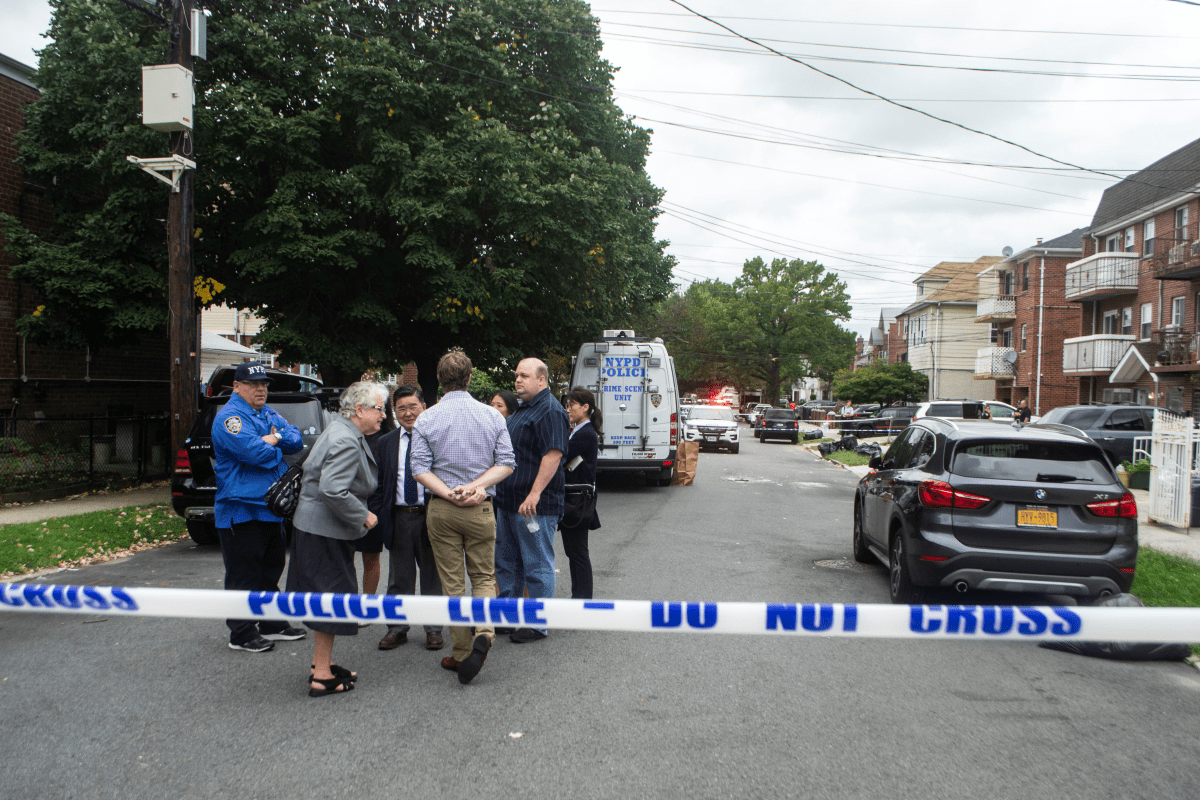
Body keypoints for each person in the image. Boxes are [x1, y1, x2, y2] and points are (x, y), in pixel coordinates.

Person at [410, 352, 515, 684]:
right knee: (484, 577)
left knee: (452, 585)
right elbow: (507, 463)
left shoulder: (426, 418)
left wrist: (449, 492)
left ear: (440, 381)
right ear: (470, 378)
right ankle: (485, 630)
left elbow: (419, 469)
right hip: (481, 507)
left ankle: (460, 653)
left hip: (442, 509)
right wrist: (476, 487)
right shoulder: (492, 416)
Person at [288, 381, 386, 697]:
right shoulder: (345, 439)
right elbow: (333, 489)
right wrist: (363, 516)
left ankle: (321, 665)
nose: (383, 415)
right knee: (330, 602)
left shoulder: (339, 429)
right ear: (360, 409)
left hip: (315, 529)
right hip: (324, 533)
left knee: (324, 600)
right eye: (380, 408)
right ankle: (322, 677)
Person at [211, 361, 307, 653]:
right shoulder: (230, 419)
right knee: (244, 574)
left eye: (264, 384)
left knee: (270, 569)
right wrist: (277, 441)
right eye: (254, 385)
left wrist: (275, 436)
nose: (261, 389)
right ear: (237, 387)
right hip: (241, 510)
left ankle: (270, 623)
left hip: (269, 509)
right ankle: (240, 633)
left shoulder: (266, 413)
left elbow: (297, 440)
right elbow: (258, 455)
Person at [494, 358, 570, 644]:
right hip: (510, 501)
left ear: (541, 380)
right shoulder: (524, 410)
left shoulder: (550, 410)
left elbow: (554, 455)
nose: (517, 380)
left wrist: (535, 493)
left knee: (536, 564)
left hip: (533, 506)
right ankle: (508, 617)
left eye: (524, 376)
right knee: (507, 562)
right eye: (516, 375)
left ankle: (538, 624)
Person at [368, 385, 445, 652]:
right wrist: (380, 515)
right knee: (398, 578)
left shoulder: (437, 439)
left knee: (432, 577)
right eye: (401, 408)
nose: (408, 413)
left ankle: (434, 629)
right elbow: (378, 485)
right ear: (394, 412)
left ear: (424, 406)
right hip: (398, 517)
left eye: (413, 406)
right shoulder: (385, 442)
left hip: (430, 516)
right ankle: (397, 628)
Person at [560, 386, 602, 600]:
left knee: (577, 553)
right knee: (574, 552)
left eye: (572, 405)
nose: (568, 409)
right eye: (567, 405)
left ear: (586, 407)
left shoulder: (585, 433)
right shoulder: (579, 430)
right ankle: (579, 596)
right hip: (576, 498)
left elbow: (563, 457)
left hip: (578, 500)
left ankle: (582, 598)